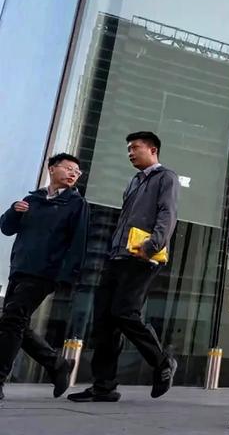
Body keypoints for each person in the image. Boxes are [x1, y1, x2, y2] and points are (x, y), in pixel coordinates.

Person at [68, 131, 179, 403]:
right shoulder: (134, 182)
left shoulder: (165, 177)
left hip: (143, 256)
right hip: (117, 256)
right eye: (128, 148)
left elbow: (168, 212)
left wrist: (153, 245)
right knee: (104, 321)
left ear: (152, 149)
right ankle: (104, 386)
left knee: (125, 311)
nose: (130, 152)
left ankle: (162, 361)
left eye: (135, 148)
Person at [0, 153, 89, 400]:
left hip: (45, 273)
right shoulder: (33, 199)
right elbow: (6, 228)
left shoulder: (76, 204)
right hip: (19, 269)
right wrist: (13, 212)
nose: (74, 174)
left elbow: (78, 243)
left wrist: (66, 277)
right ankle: (57, 364)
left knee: (12, 321)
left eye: (77, 172)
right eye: (69, 168)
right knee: (15, 322)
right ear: (52, 169)